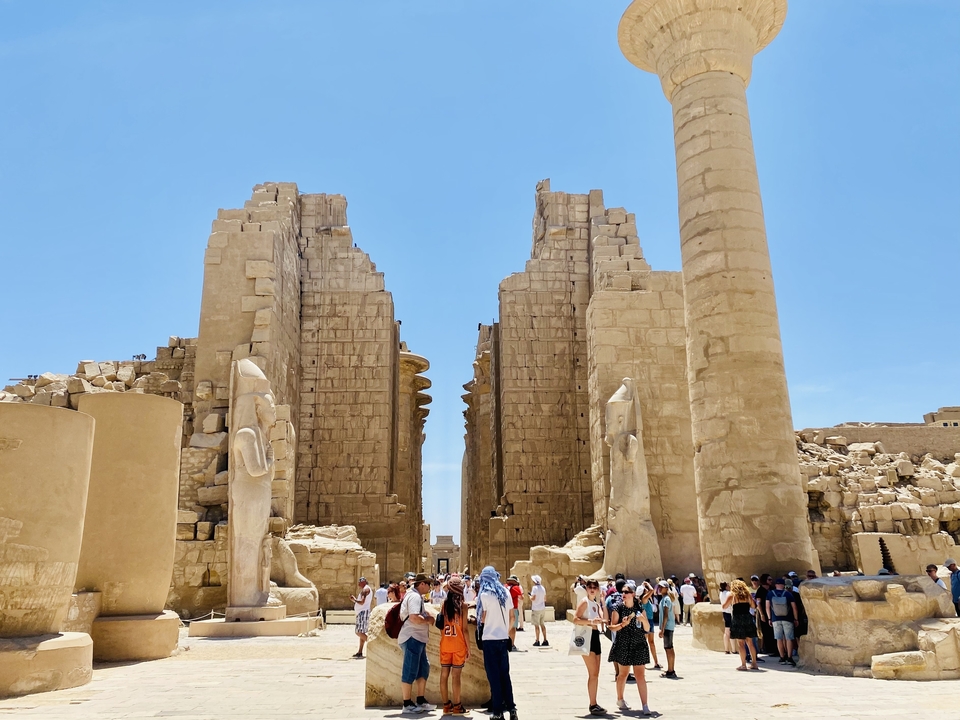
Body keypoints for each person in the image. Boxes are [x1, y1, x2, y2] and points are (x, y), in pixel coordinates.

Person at [477, 566, 516, 720]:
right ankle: (512, 709)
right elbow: (512, 617)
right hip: (503, 638)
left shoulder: (485, 594)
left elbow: (483, 618)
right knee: (505, 676)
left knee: (494, 677)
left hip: (490, 640)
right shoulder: (505, 592)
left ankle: (498, 712)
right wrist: (505, 630)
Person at [608, 583, 653, 715]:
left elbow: (646, 629)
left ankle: (645, 705)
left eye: (627, 592)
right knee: (623, 674)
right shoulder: (618, 608)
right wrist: (623, 624)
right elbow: (611, 627)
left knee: (640, 676)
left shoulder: (639, 607)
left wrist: (643, 620)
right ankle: (620, 699)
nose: (624, 594)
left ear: (633, 594)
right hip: (624, 644)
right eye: (623, 592)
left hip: (638, 644)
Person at [398, 573, 436, 714]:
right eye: (428, 584)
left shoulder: (415, 595)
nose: (430, 587)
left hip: (418, 638)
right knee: (410, 670)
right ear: (422, 584)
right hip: (412, 637)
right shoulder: (414, 597)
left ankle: (420, 700)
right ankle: (407, 703)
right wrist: (429, 620)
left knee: (423, 669)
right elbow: (414, 617)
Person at [575, 578, 607, 715]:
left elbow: (605, 619)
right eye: (590, 586)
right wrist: (590, 621)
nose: (592, 589)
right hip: (586, 635)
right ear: (586, 588)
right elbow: (575, 619)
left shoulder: (596, 604)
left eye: (595, 586)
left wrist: (604, 602)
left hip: (595, 637)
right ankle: (592, 704)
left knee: (596, 673)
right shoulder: (584, 602)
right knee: (592, 673)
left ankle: (594, 702)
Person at [438, 577, 470, 715]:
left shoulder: (444, 605)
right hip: (458, 645)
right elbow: (465, 630)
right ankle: (457, 706)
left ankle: (446, 705)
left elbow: (440, 625)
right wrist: (469, 648)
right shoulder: (463, 606)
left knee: (444, 675)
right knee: (456, 676)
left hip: (445, 644)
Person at [723, 579, 759, 671]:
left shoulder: (732, 595)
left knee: (741, 643)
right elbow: (753, 606)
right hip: (747, 618)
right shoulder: (748, 595)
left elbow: (724, 606)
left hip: (737, 620)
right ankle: (754, 663)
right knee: (750, 643)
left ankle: (743, 665)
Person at [766, 578, 798, 667]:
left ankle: (782, 657)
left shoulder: (770, 594)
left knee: (779, 639)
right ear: (783, 585)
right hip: (788, 618)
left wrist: (769, 618)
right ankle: (789, 657)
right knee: (789, 638)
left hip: (775, 619)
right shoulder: (788, 594)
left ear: (776, 585)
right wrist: (796, 619)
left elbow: (767, 607)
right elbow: (794, 607)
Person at [656, 581, 677, 678]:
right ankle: (670, 669)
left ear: (666, 588)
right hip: (669, 626)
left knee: (668, 648)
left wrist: (662, 629)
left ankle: (671, 670)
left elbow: (665, 615)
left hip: (667, 626)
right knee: (669, 648)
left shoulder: (666, 599)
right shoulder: (665, 598)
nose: (660, 588)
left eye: (662, 587)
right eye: (659, 587)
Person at [640, 581, 661, 670]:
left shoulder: (646, 599)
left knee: (651, 642)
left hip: (650, 620)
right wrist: (646, 584)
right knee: (644, 643)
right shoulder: (644, 598)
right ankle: (642, 662)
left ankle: (656, 662)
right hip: (647, 621)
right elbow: (652, 590)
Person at [350, 577, 372, 658]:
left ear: (363, 582)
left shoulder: (365, 590)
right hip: (362, 612)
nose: (358, 584)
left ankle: (372, 645)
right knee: (361, 632)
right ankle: (360, 651)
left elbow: (362, 602)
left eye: (359, 582)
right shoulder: (367, 589)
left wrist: (355, 600)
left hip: (363, 612)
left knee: (358, 632)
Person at [529, 575, 549, 647]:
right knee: (542, 624)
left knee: (536, 626)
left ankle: (537, 640)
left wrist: (530, 597)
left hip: (536, 608)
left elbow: (533, 598)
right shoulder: (543, 588)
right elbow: (545, 599)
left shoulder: (534, 588)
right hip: (542, 608)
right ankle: (545, 640)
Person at [506, 576, 523, 647]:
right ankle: (512, 643)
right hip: (514, 608)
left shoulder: (505, 587)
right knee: (513, 627)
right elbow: (521, 597)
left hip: (506, 609)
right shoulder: (516, 588)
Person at [718, 581, 734, 654]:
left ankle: (726, 649)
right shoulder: (729, 593)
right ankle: (734, 649)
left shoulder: (721, 593)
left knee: (726, 631)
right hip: (730, 612)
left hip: (724, 612)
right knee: (732, 631)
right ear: (726, 586)